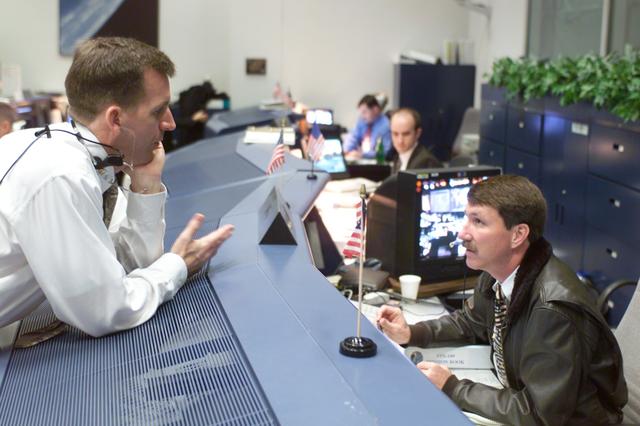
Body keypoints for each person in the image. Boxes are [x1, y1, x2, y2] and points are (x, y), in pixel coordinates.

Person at [0, 37, 234, 339]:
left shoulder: (76, 153)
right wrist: (178, 266)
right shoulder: (61, 175)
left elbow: (124, 266)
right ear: (116, 118)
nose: (171, 123)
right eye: (158, 111)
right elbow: (106, 310)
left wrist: (146, 186)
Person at [377, 175, 627, 424]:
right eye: (467, 218)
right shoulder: (498, 273)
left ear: (518, 234)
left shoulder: (551, 309)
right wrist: (411, 333)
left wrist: (454, 388)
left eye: (478, 222)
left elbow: (539, 414)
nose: (463, 232)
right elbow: (470, 322)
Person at [389, 108, 441, 174]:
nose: (400, 141)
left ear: (417, 133)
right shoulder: (397, 157)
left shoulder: (427, 162)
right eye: (395, 134)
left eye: (406, 134)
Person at [343, 94, 391, 160]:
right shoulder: (362, 121)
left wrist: (363, 154)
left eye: (364, 112)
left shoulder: (386, 125)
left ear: (375, 110)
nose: (362, 116)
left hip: (378, 163)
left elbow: (385, 152)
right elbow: (353, 136)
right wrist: (346, 151)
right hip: (360, 159)